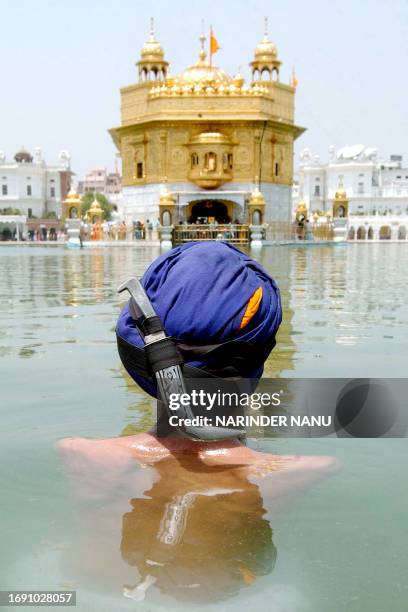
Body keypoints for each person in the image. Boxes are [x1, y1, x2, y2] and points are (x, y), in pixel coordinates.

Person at [58, 242, 337, 602]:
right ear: (259, 357)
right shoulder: (300, 471)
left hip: (92, 594)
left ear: (136, 358)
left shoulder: (82, 455)